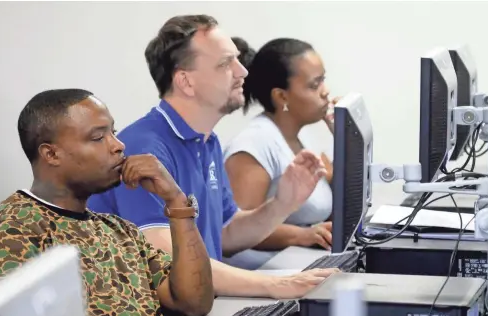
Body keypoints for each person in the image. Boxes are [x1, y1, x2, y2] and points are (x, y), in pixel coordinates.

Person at [88, 14, 338, 297]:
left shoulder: (207, 141)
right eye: (225, 64)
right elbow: (170, 260)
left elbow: (226, 233)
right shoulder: (144, 148)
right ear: (185, 81)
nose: (243, 71)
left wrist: (283, 203)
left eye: (237, 60)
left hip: (202, 308)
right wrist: (275, 284)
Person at [0, 89, 216, 316]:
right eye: (97, 137)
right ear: (51, 154)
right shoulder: (6, 233)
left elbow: (194, 301)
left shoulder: (119, 230)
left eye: (112, 132)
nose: (118, 145)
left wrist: (177, 202)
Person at [221, 37, 339, 267]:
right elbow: (233, 230)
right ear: (281, 96)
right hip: (259, 277)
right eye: (314, 85)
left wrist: (345, 136)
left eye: (322, 80)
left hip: (299, 265)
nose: (325, 92)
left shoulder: (301, 136)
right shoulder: (255, 145)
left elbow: (341, 200)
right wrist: (301, 235)